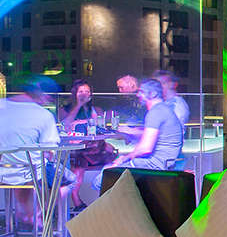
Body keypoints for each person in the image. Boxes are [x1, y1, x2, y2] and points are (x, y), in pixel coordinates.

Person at [0, 76, 61, 224]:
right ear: (43, 95)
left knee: (26, 170)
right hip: (30, 173)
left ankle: (26, 215)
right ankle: (47, 222)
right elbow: (50, 151)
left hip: (2, 171)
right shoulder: (43, 115)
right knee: (66, 179)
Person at [59, 79, 115, 209]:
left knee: (106, 154)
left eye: (87, 91)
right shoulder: (64, 110)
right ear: (74, 93)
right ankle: (76, 199)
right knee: (79, 158)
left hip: (96, 148)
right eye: (81, 91)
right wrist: (78, 105)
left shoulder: (97, 110)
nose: (84, 94)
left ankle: (100, 197)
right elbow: (65, 125)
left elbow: (100, 128)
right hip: (77, 148)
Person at [106, 78, 183, 172]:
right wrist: (131, 132)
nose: (138, 95)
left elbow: (145, 148)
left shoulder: (156, 112)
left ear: (153, 94)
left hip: (155, 164)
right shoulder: (162, 109)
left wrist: (124, 158)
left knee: (106, 172)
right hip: (162, 163)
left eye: (141, 92)